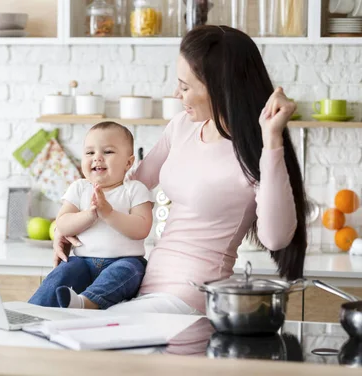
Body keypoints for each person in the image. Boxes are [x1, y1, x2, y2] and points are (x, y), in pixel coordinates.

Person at [51, 25, 308, 315]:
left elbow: (276, 238)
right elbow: (126, 186)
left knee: (80, 328)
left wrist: (272, 139)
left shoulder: (257, 150)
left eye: (185, 87)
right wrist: (64, 225)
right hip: (147, 284)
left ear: (220, 87)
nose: (176, 94)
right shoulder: (183, 127)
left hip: (192, 295)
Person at [28, 121, 154, 309]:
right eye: (90, 153)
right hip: (82, 261)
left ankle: (87, 302)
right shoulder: (79, 188)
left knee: (129, 272)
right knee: (62, 272)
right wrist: (90, 214)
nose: (97, 158)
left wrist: (108, 213)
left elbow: (142, 228)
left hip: (124, 260)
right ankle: (34, 309)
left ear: (128, 162)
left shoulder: (134, 190)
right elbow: (62, 224)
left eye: (108, 152)